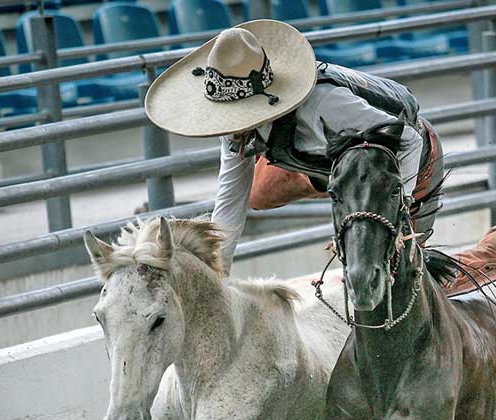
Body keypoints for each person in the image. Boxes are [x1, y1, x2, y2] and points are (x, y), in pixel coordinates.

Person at [144, 20, 445, 272]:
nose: (229, 128)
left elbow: (408, 140)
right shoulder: (235, 128)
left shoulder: (323, 105)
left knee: (395, 268)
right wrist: (216, 274)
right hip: (338, 166)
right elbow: (231, 202)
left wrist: (399, 212)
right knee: (258, 193)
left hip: (405, 159)